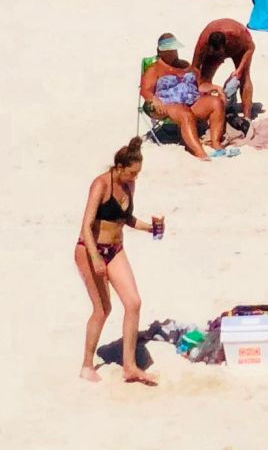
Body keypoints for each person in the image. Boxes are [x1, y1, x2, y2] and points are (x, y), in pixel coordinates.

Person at [76, 137, 162, 384]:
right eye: (133, 173)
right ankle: (86, 364)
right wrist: (95, 258)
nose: (135, 178)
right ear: (120, 167)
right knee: (102, 309)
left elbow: (126, 219)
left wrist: (150, 228)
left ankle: (130, 366)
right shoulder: (101, 185)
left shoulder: (128, 186)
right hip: (90, 249)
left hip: (115, 249)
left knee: (133, 302)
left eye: (138, 174)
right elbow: (86, 226)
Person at [141, 33, 228, 159]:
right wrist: (154, 99)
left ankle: (216, 143)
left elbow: (199, 85)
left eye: (175, 50)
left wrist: (215, 88)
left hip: (192, 101)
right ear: (162, 51)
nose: (174, 53)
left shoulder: (184, 65)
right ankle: (199, 152)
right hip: (168, 105)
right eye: (171, 50)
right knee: (185, 113)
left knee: (216, 102)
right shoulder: (154, 69)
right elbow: (145, 90)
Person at [192, 19, 257, 121]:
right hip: (213, 48)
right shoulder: (203, 43)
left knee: (244, 77)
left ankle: (247, 117)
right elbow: (194, 68)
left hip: (239, 49)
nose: (221, 58)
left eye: (219, 53)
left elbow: (251, 48)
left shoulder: (236, 34)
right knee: (203, 78)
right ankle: (208, 110)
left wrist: (239, 70)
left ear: (226, 43)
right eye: (214, 52)